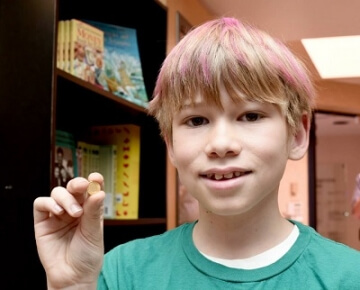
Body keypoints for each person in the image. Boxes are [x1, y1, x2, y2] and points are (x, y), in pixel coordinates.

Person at [33, 17, 360, 289]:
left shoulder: (347, 276)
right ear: (171, 144)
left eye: (250, 116)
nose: (220, 144)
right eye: (196, 120)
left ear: (298, 134)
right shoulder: (121, 273)